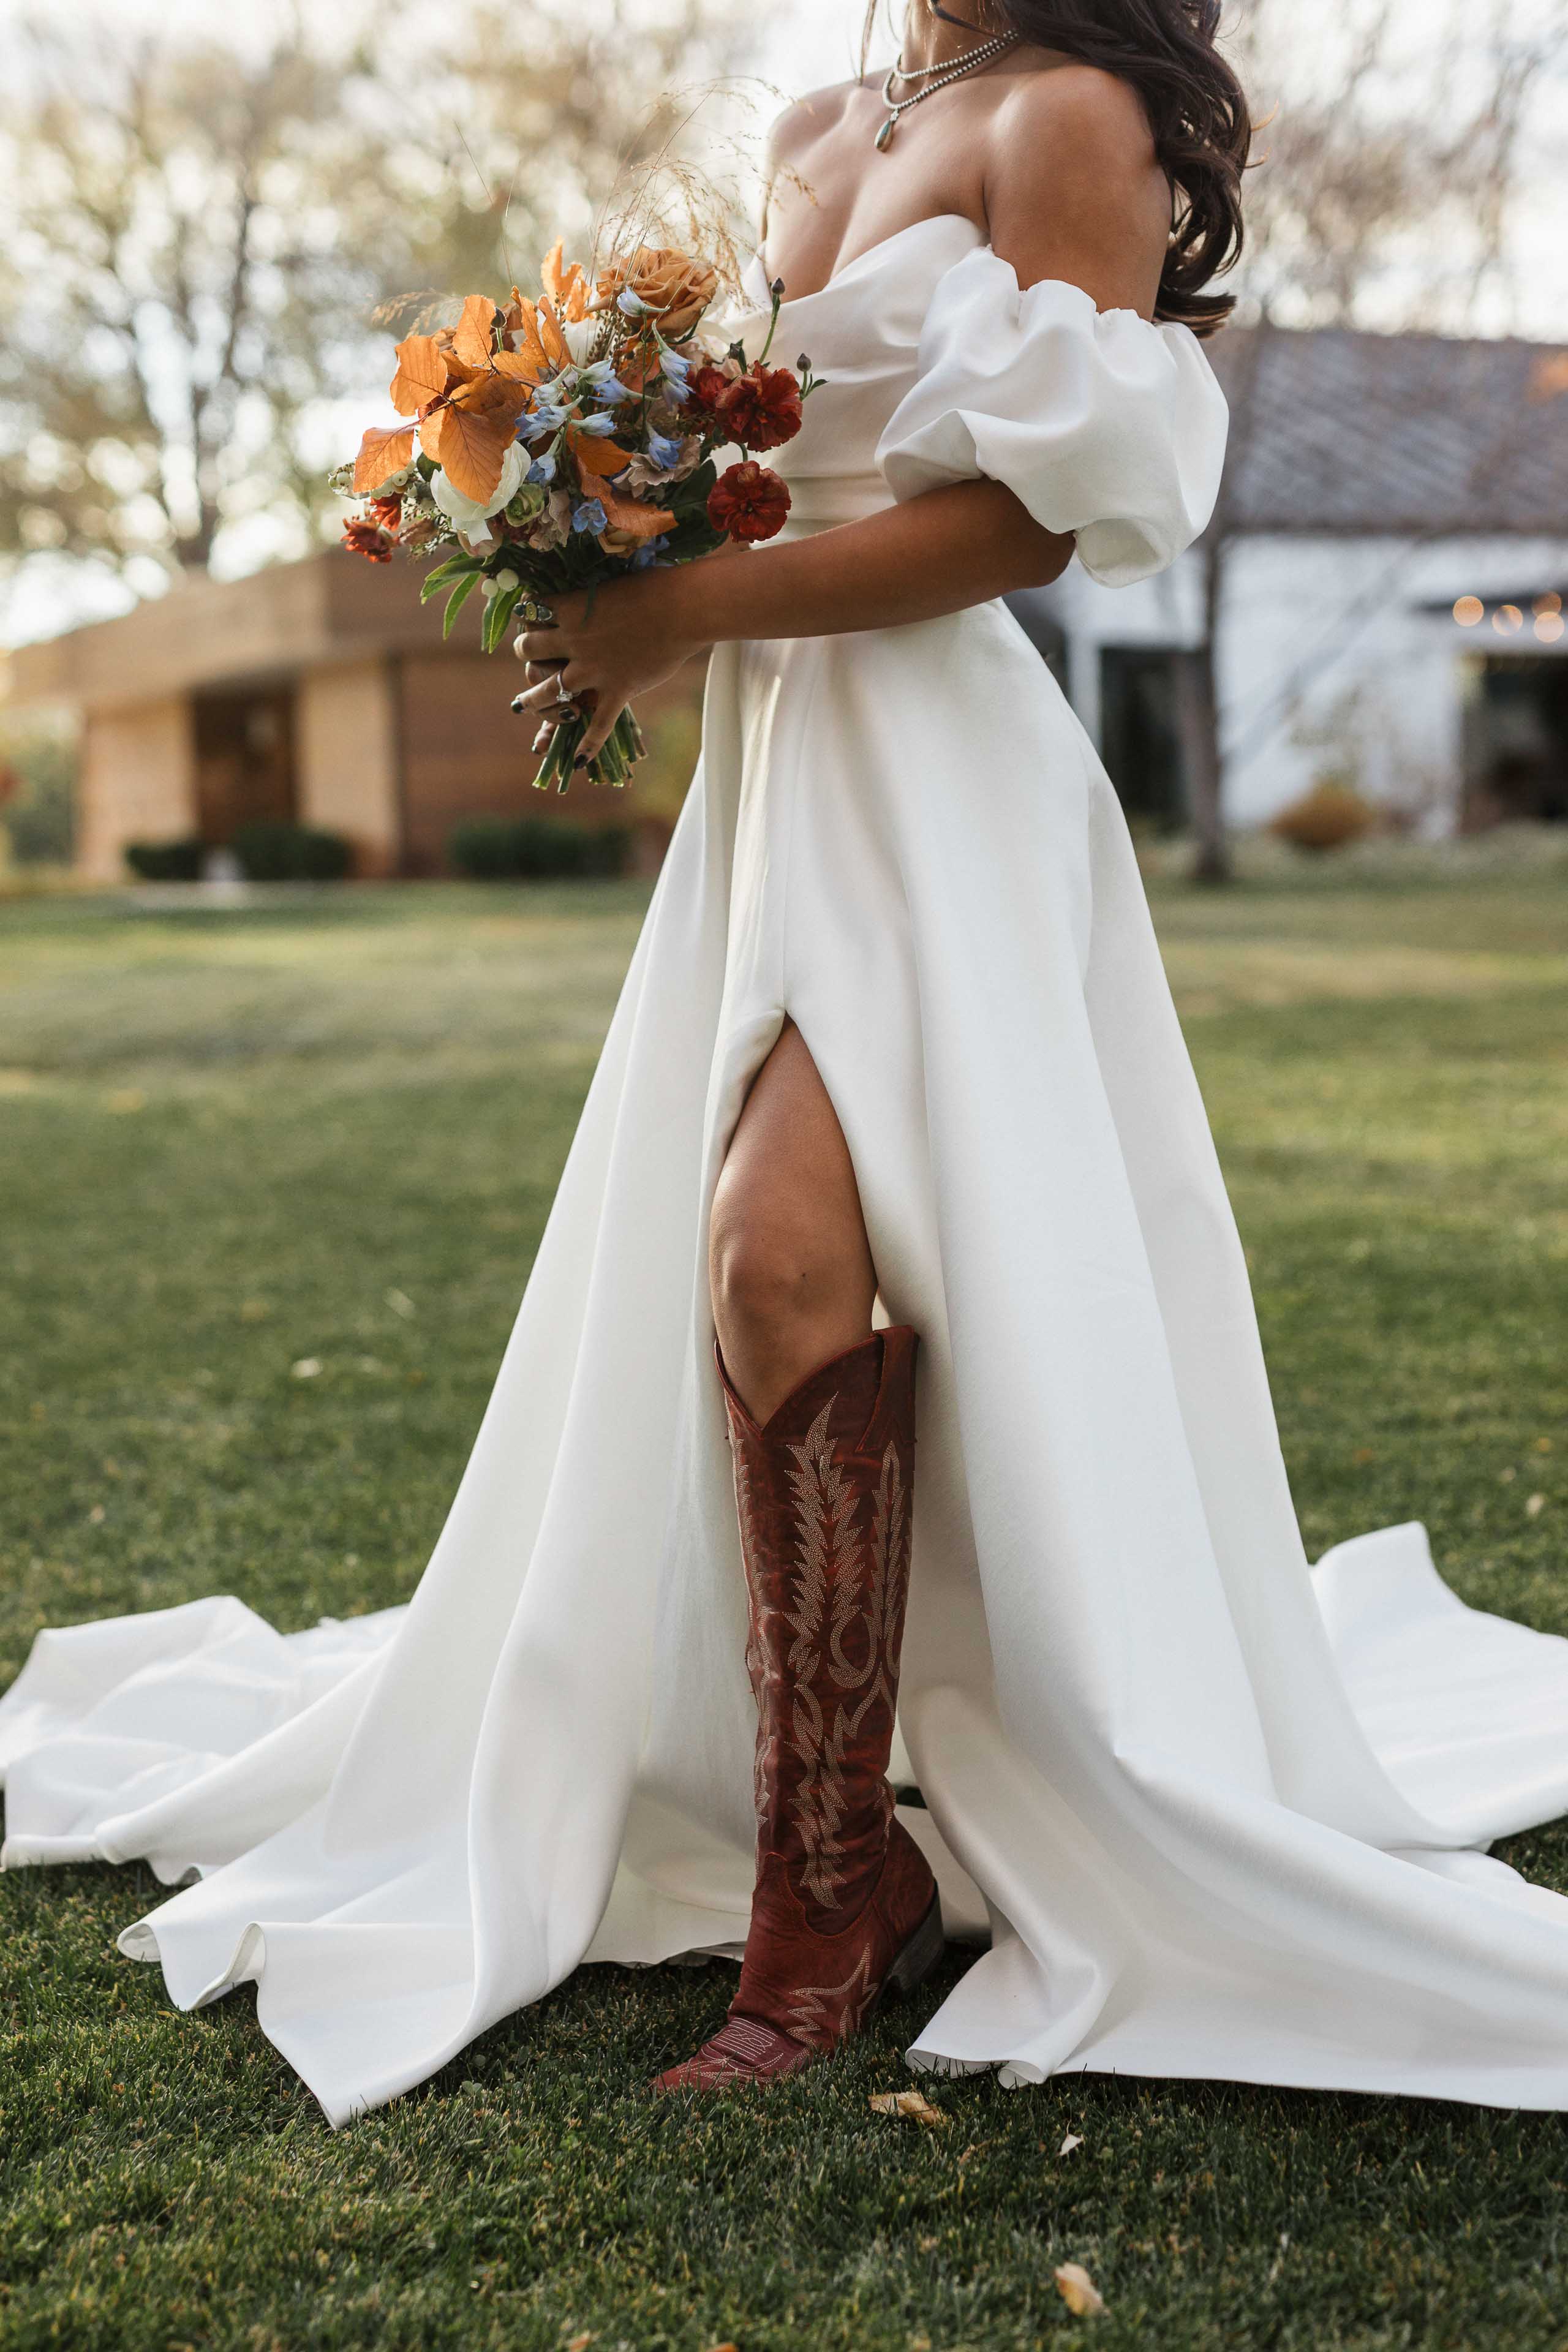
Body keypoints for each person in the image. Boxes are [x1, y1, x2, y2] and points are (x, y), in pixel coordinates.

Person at [7, 0, 1568, 2127]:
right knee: (762, 1268)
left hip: (945, 777)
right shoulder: (825, 123)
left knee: (767, 1254)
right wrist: (595, 519)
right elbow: (770, 446)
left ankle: (831, 1891)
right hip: (775, 779)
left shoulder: (1075, 120)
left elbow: (1032, 526)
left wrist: (700, 604)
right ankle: (851, 1856)